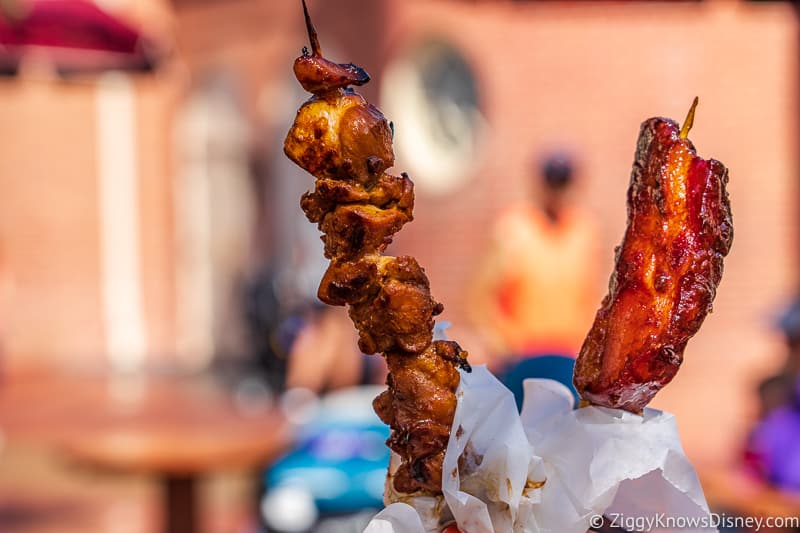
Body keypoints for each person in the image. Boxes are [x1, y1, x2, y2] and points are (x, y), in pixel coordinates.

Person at [469, 153, 600, 402]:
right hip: (522, 357)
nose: (557, 192)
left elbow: (589, 294)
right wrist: (500, 343)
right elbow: (480, 295)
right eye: (552, 182)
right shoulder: (513, 227)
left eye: (563, 184)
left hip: (567, 356)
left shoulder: (584, 228)